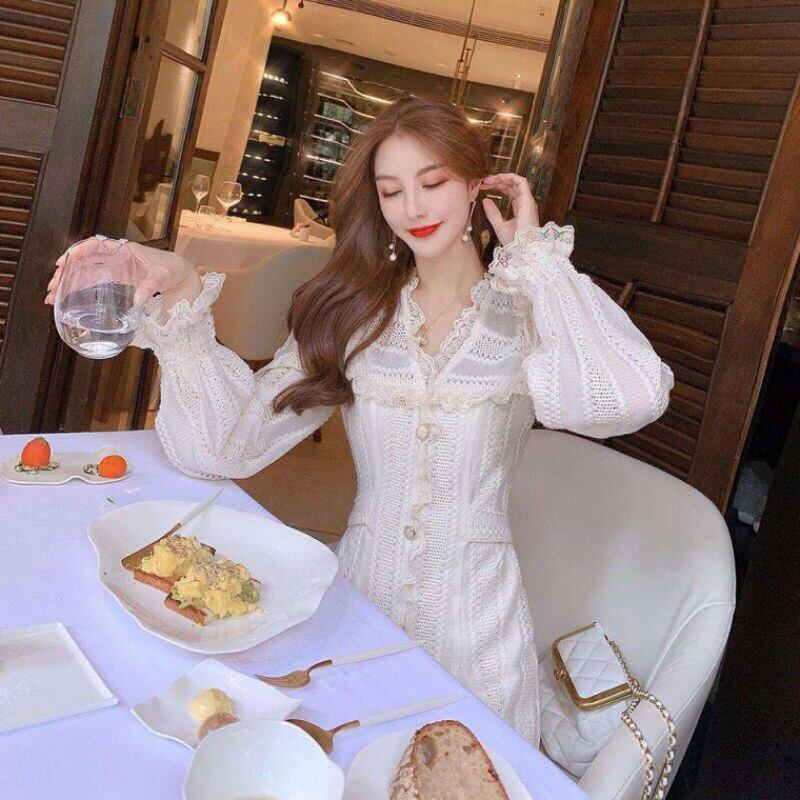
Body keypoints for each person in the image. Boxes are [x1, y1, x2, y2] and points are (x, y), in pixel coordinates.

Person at [47, 96, 674, 746]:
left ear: (475, 185)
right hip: (357, 606)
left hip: (478, 633)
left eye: (433, 183)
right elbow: (224, 448)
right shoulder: (356, 316)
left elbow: (631, 398)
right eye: (392, 191)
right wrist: (182, 289)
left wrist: (537, 261)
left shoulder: (523, 314)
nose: (415, 208)